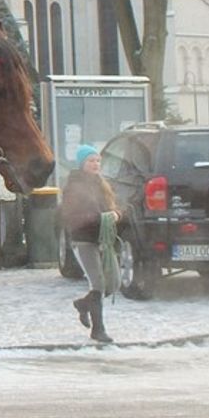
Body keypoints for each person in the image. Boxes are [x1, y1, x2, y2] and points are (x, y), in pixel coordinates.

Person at [61, 144, 119, 343]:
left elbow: (113, 207)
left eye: (97, 161)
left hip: (103, 240)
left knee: (114, 283)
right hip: (84, 239)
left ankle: (84, 305)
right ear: (82, 163)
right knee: (99, 284)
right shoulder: (73, 186)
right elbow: (72, 215)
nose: (95, 164)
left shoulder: (102, 184)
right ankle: (98, 330)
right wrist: (99, 218)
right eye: (91, 161)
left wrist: (117, 214)